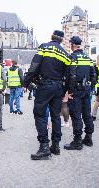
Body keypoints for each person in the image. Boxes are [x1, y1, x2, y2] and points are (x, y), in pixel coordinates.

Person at [24, 30, 70, 160]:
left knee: (39, 113)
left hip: (45, 85)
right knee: (56, 115)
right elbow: (69, 75)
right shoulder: (65, 54)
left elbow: (34, 65)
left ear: (51, 37)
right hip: (58, 87)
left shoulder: (44, 47)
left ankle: (44, 147)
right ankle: (55, 145)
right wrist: (64, 89)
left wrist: (26, 81)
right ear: (61, 40)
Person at [64, 36, 95, 150]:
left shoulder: (72, 57)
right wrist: (90, 88)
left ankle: (77, 141)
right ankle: (88, 137)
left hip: (76, 90)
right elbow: (93, 75)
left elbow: (71, 76)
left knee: (76, 115)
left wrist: (69, 91)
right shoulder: (88, 58)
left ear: (72, 45)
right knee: (87, 113)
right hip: (86, 90)